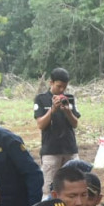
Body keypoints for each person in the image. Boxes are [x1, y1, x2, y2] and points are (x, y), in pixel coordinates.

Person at [34, 67, 80, 198]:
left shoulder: (69, 98)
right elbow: (41, 124)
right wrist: (52, 110)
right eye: (59, 86)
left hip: (70, 149)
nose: (61, 90)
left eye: (64, 87)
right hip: (50, 151)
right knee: (48, 189)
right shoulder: (41, 99)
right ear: (51, 83)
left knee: (74, 185)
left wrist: (67, 111)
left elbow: (75, 123)